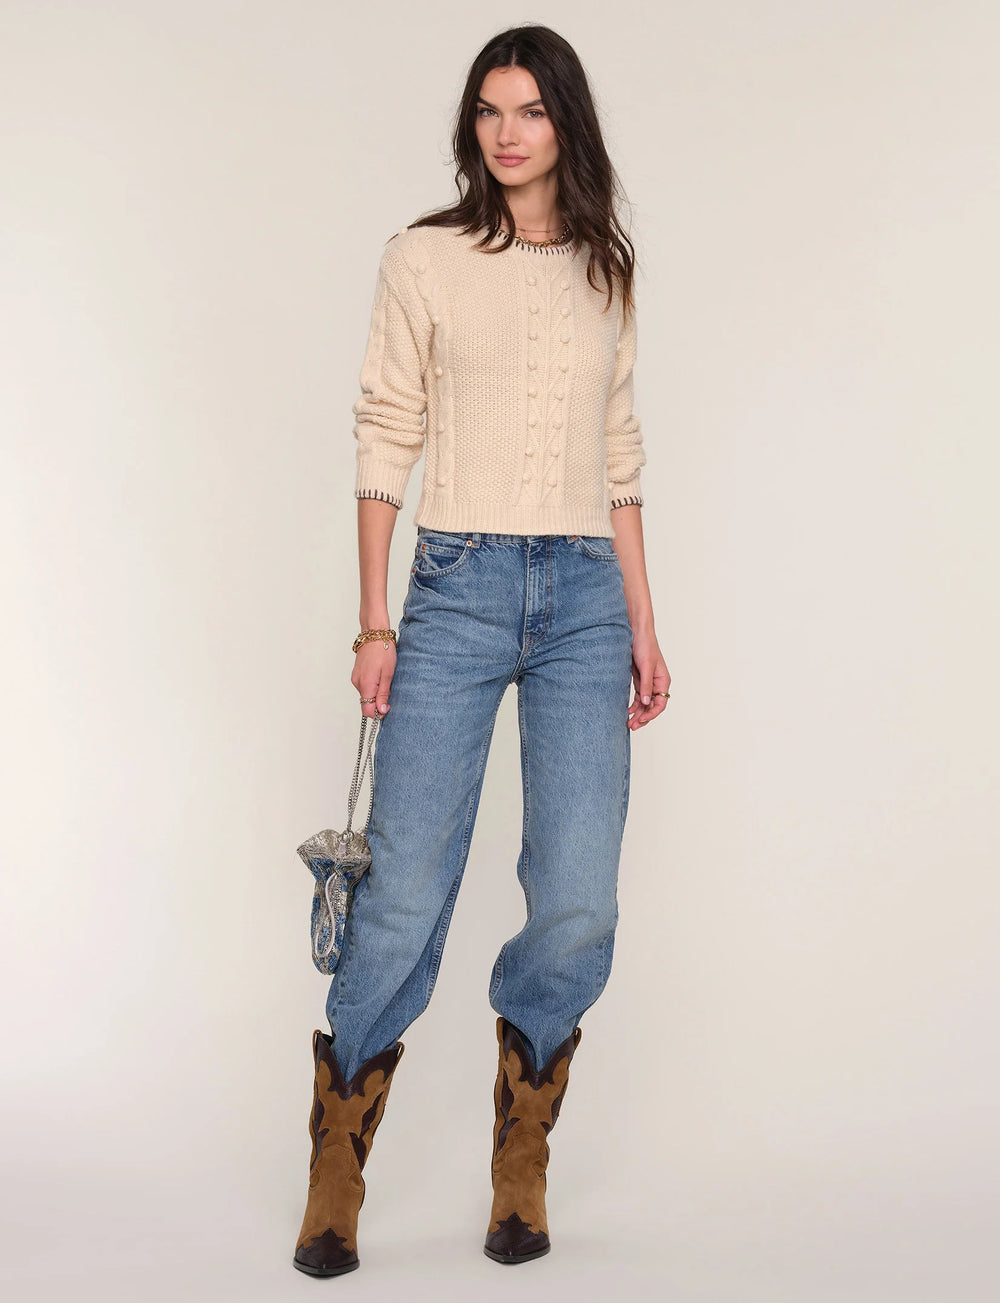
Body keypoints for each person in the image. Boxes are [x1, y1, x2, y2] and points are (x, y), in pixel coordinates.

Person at [293, 23, 671, 1277]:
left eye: (531, 111)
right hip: (454, 588)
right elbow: (383, 431)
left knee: (577, 893)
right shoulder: (424, 258)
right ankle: (338, 1152)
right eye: (489, 111)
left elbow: (619, 455)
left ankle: (522, 1150)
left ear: (567, 123)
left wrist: (643, 621)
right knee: (403, 887)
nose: (507, 133)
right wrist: (375, 621)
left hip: (585, 597)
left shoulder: (608, 271)